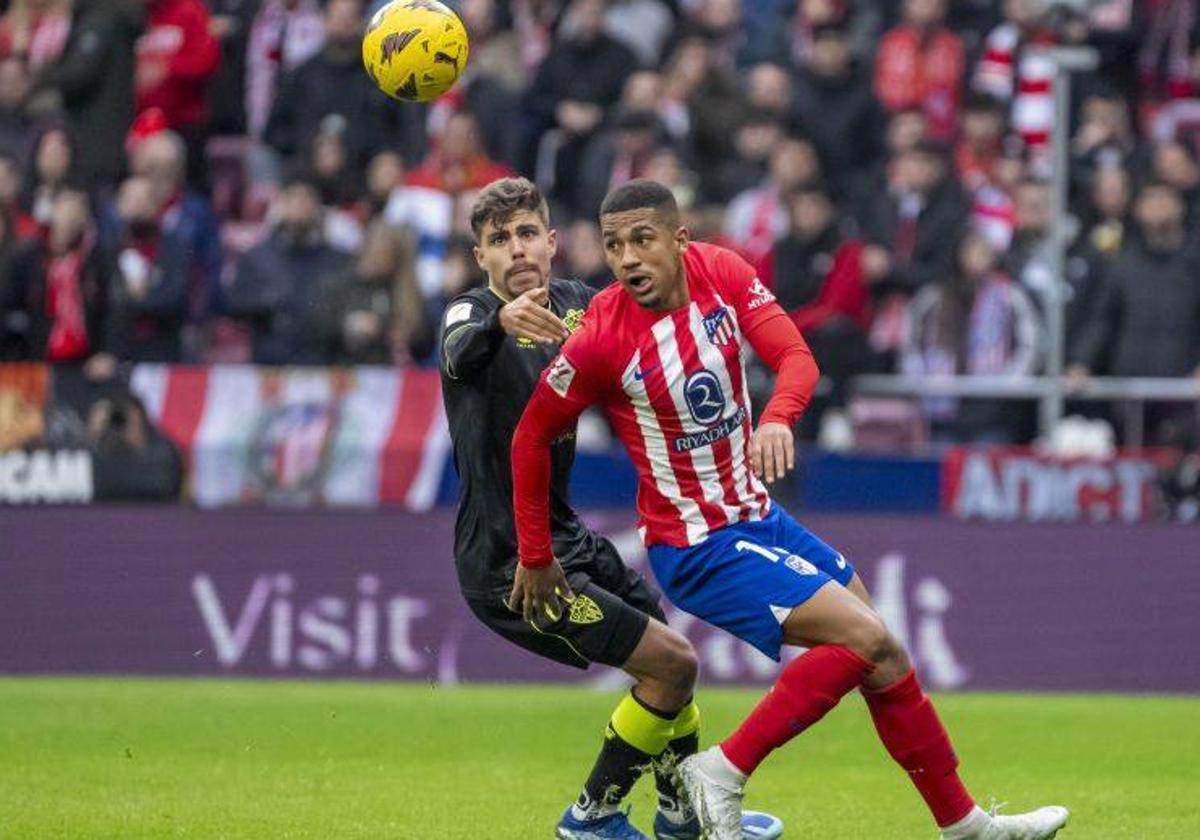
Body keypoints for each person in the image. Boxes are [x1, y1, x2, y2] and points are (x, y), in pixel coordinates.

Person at [510, 179, 1070, 840]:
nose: (627, 257)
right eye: (612, 245)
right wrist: (536, 554)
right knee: (866, 638)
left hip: (756, 517)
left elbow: (795, 356)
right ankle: (722, 770)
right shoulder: (602, 336)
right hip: (696, 543)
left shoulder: (721, 271)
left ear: (679, 239)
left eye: (642, 239)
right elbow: (531, 436)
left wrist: (778, 418)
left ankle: (964, 824)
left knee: (881, 654)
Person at [442, 176, 781, 840]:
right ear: (480, 257)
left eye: (525, 233)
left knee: (670, 664)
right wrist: (496, 322)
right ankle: (591, 818)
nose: (514, 250)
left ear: (552, 241)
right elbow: (459, 349)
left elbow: (653, 326)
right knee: (673, 662)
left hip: (566, 536)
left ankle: (682, 815)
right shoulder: (470, 312)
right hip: (508, 558)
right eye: (497, 240)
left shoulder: (582, 305)